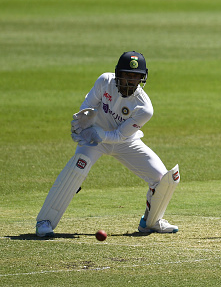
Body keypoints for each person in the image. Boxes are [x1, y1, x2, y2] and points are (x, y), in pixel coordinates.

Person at [36, 51, 180, 237]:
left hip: (125, 142)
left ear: (142, 79)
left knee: (163, 179)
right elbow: (87, 106)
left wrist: (100, 133)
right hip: (94, 140)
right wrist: (83, 123)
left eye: (136, 77)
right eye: (127, 75)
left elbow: (120, 135)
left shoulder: (144, 108)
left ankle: (151, 222)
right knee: (75, 170)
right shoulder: (104, 81)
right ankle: (44, 222)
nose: (130, 81)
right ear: (118, 74)